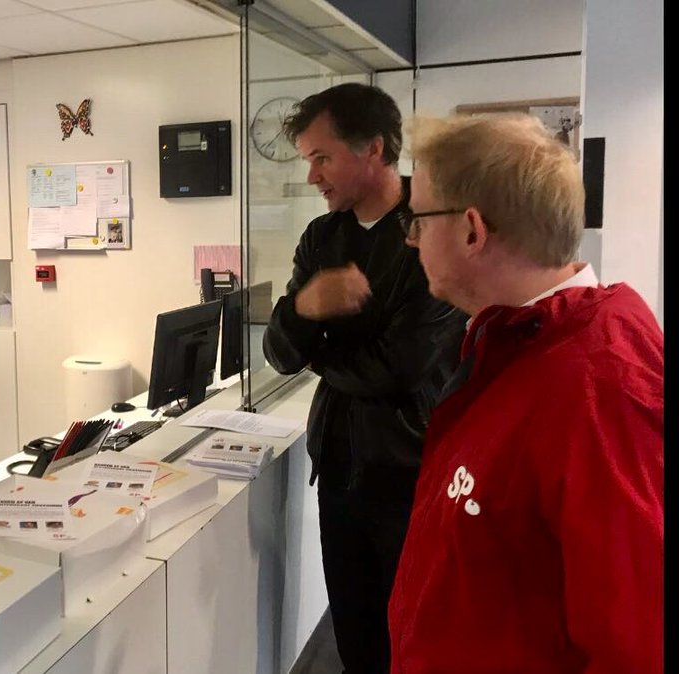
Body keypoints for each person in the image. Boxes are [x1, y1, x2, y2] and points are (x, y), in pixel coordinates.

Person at [388, 113, 662, 673]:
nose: (411, 239)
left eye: (417, 220)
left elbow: (637, 645)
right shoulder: (515, 344)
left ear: (472, 230)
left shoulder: (598, 386)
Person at [262, 83, 466, 674]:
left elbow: (398, 369)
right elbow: (279, 353)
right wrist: (305, 308)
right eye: (309, 160)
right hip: (339, 471)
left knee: (413, 639)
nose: (312, 177)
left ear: (373, 148)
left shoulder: (430, 229)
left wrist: (318, 347)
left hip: (410, 473)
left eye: (322, 158)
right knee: (356, 635)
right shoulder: (322, 237)